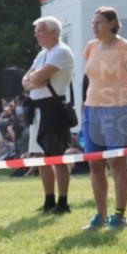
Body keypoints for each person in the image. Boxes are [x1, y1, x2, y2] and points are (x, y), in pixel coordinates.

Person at [80, 7, 127, 230]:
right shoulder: (91, 47)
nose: (94, 27)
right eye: (93, 23)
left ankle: (119, 215)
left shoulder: (124, 47)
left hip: (117, 111)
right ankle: (100, 215)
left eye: (98, 22)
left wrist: (126, 97)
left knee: (117, 162)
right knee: (95, 164)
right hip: (92, 111)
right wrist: (85, 108)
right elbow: (89, 79)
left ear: (112, 24)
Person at [22, 16, 76, 215]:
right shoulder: (42, 54)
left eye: (40, 31)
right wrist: (33, 80)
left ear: (53, 32)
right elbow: (26, 79)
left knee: (56, 157)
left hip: (53, 110)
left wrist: (34, 80)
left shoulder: (61, 52)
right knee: (41, 156)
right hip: (38, 110)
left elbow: (39, 77)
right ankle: (49, 201)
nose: (36, 35)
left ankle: (62, 203)